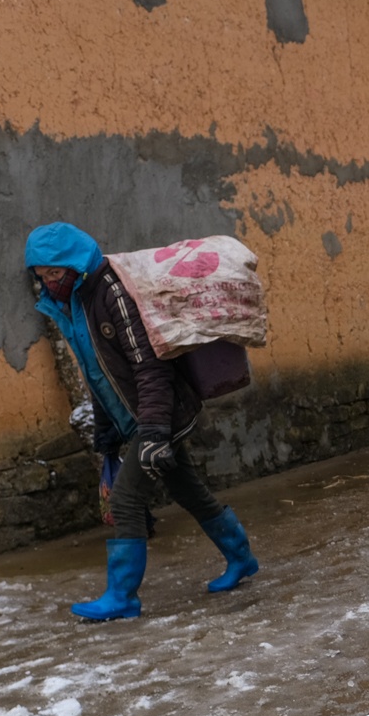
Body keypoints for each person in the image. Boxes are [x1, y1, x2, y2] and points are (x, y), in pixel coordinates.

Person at [23, 223, 259, 620]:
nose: (49, 283)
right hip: (135, 419)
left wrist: (152, 433)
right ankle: (242, 558)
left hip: (158, 416)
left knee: (127, 499)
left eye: (54, 273)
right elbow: (98, 374)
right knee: (188, 490)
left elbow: (149, 367)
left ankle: (123, 597)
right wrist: (106, 432)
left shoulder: (112, 293)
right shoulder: (74, 304)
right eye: (42, 276)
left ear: (74, 265)